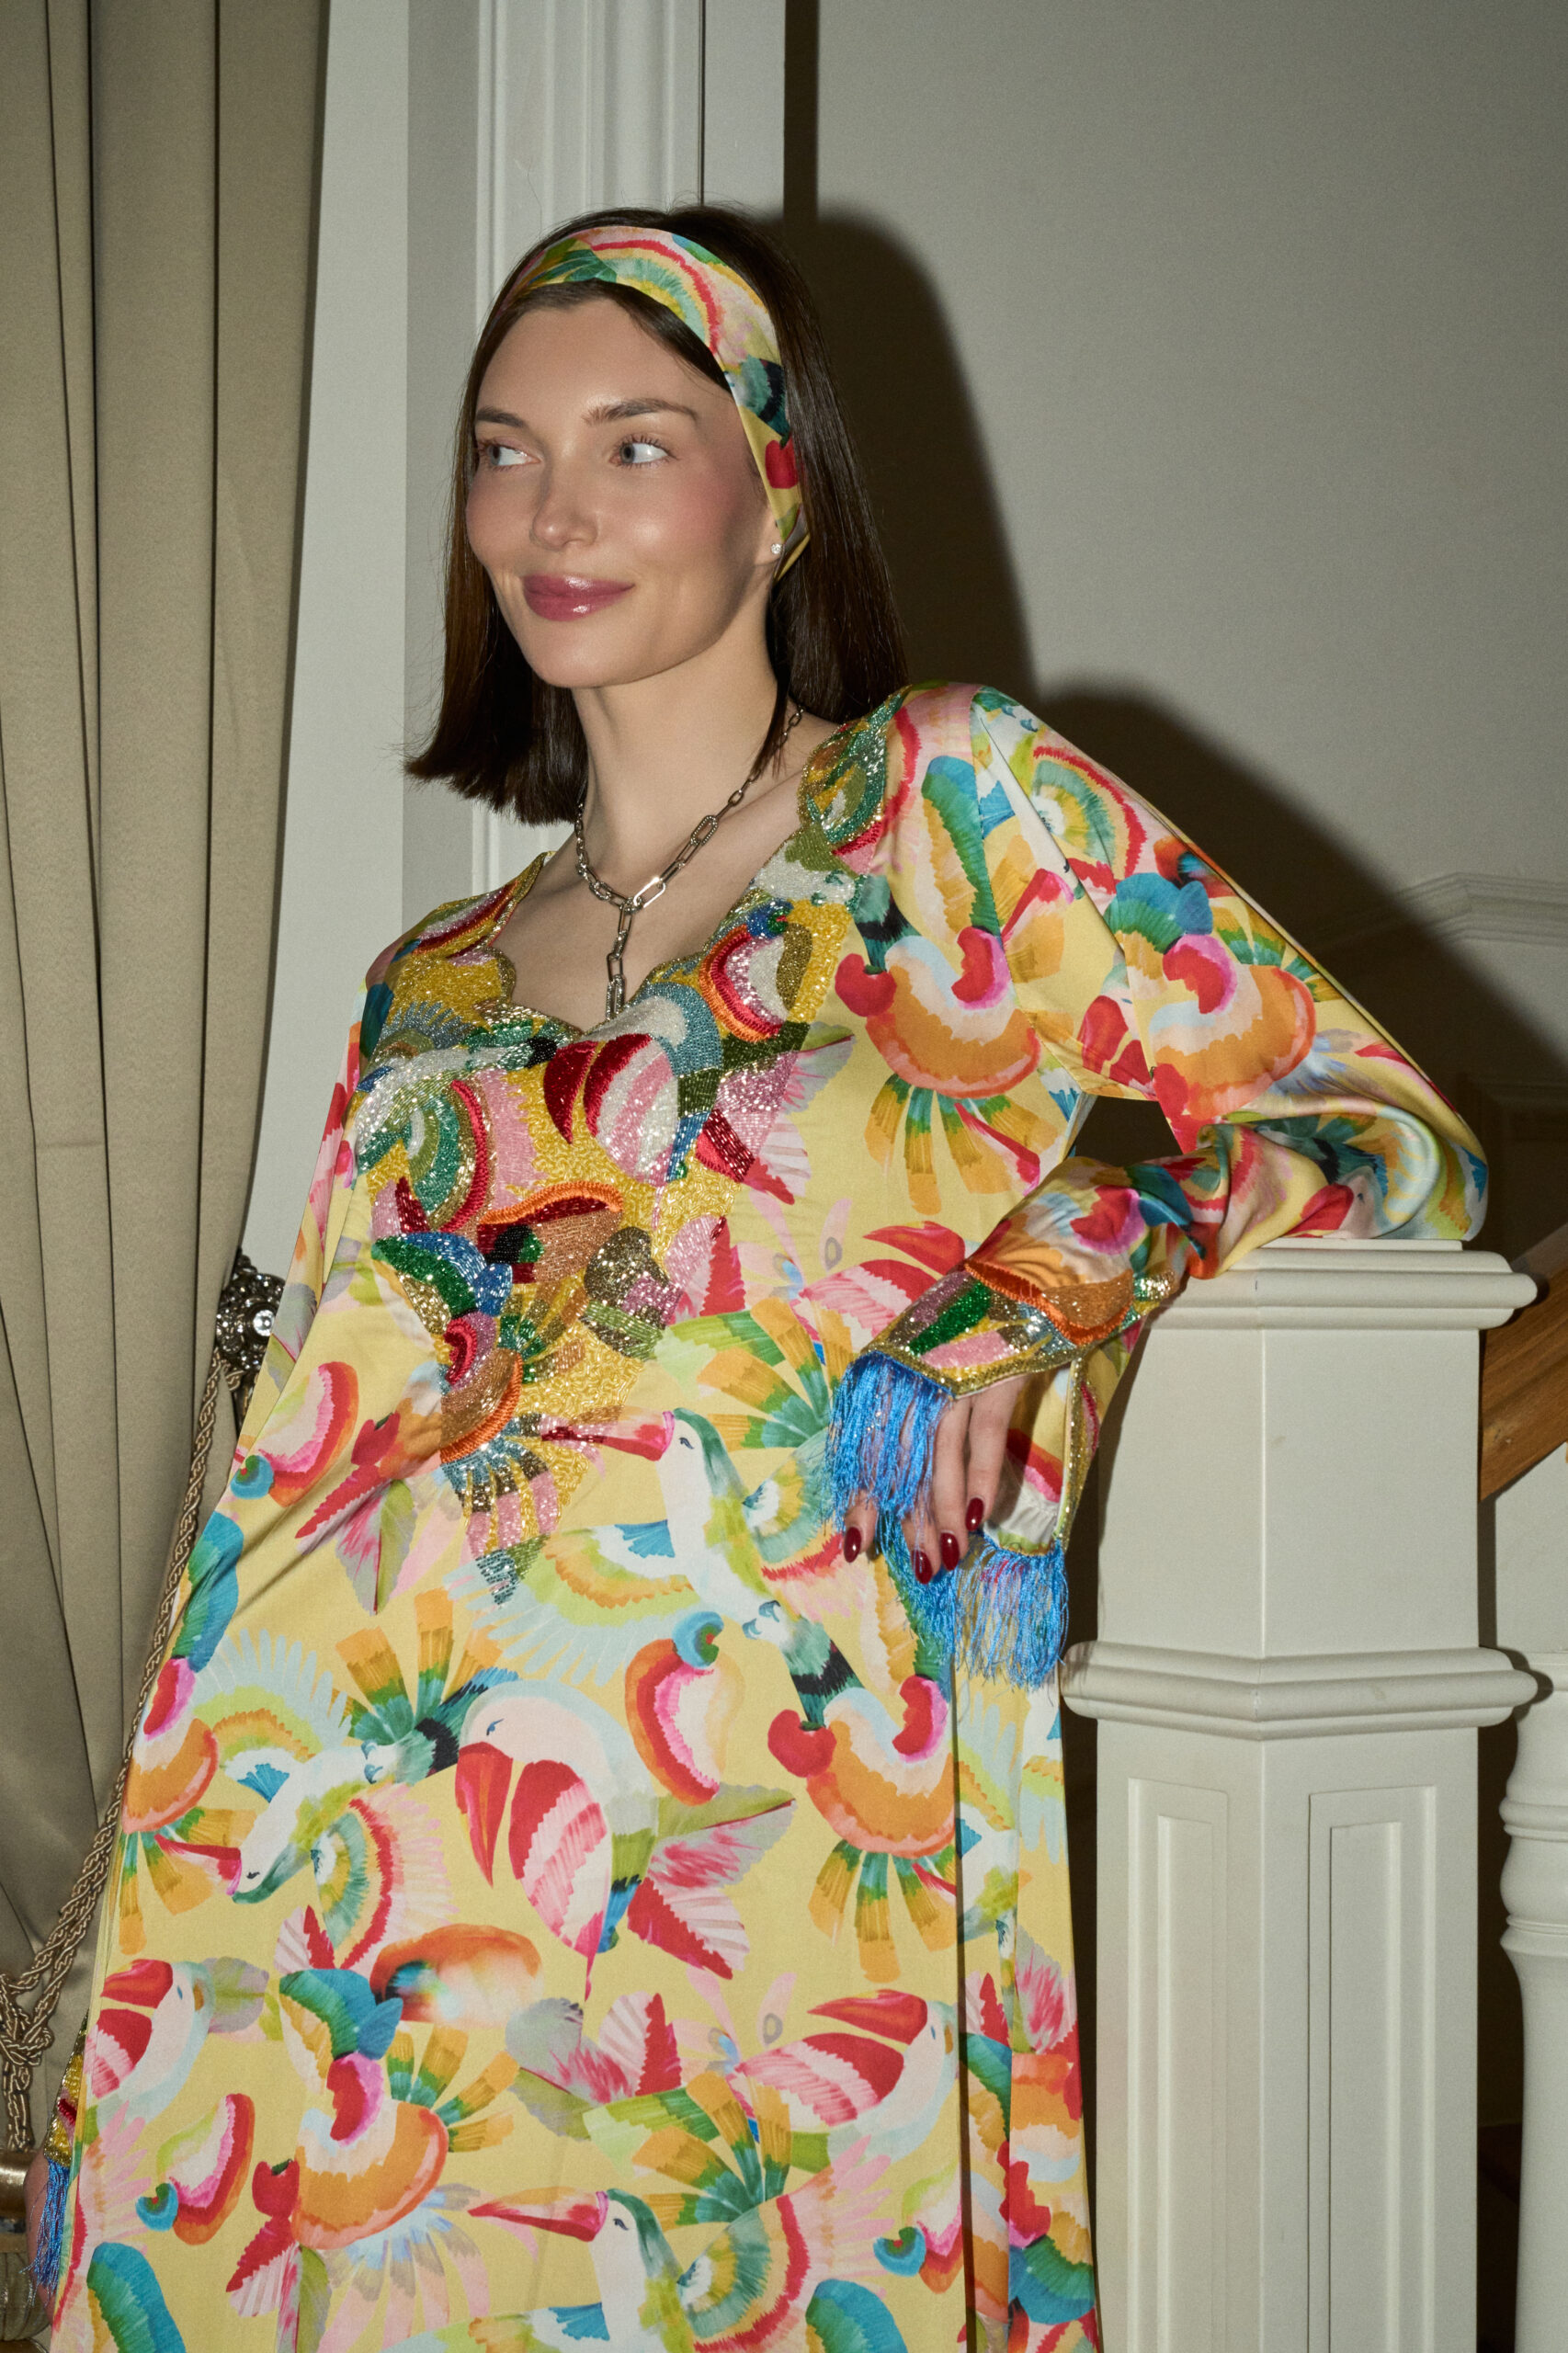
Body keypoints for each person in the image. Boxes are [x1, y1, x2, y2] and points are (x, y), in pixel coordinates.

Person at [38, 208, 1483, 2353]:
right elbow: (315, 1437)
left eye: (636, 442)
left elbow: (1380, 1128)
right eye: (504, 452)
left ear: (778, 486)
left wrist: (1048, 1272)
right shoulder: (426, 978)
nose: (551, 511)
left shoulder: (948, 804)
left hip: (755, 1834)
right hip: (314, 1844)